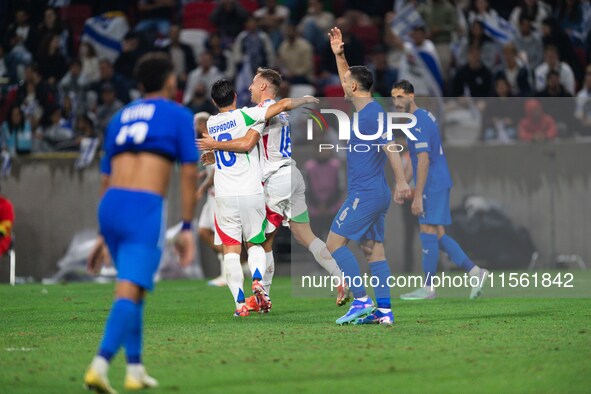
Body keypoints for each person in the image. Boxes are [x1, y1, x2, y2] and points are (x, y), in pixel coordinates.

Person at [83, 52, 198, 394]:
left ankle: (135, 370)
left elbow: (105, 178)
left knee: (133, 290)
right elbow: (189, 173)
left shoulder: (119, 117)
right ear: (169, 81)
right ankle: (99, 366)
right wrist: (188, 228)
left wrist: (103, 234)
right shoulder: (178, 114)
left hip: (112, 206)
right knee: (128, 292)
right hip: (143, 207)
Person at [198, 68, 348, 310]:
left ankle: (261, 296)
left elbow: (248, 143)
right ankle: (340, 277)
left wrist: (303, 100)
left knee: (261, 242)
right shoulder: (274, 114)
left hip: (275, 178)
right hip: (293, 175)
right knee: (304, 236)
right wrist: (216, 155)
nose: (249, 88)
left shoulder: (264, 112)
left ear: (264, 88)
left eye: (254, 84)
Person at [324, 27, 410, 326]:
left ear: (356, 88)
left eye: (346, 83)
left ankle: (361, 300)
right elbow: (350, 75)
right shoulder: (366, 109)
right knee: (373, 251)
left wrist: (401, 181)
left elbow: (391, 147)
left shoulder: (372, 114)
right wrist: (340, 55)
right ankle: (384, 311)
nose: (342, 84)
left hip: (367, 193)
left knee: (333, 244)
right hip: (375, 192)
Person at [391, 80, 490, 300]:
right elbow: (417, 159)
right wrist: (403, 182)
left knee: (427, 231)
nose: (396, 102)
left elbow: (424, 160)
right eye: (393, 97)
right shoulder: (421, 118)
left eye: (400, 97)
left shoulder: (418, 123)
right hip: (436, 182)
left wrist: (417, 196)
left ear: (411, 96)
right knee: (438, 235)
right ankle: (476, 272)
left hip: (432, 184)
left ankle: (428, 288)